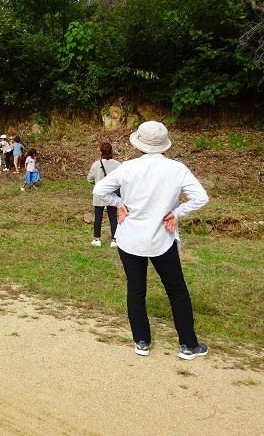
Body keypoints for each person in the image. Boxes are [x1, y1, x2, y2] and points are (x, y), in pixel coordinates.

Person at [93, 121, 209, 360]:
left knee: (136, 290)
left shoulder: (128, 167)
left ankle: (142, 342)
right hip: (161, 239)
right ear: (163, 145)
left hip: (130, 238)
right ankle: (188, 345)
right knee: (177, 291)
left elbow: (99, 190)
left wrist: (119, 204)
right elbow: (201, 198)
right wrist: (176, 213)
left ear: (139, 145)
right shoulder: (176, 168)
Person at [87, 142, 121, 247]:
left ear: (100, 152)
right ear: (112, 152)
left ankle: (97, 239)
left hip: (99, 195)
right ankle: (114, 240)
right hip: (113, 195)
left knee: (98, 217)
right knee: (113, 217)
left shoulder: (96, 164)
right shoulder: (118, 164)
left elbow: (90, 178)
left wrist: (98, 182)